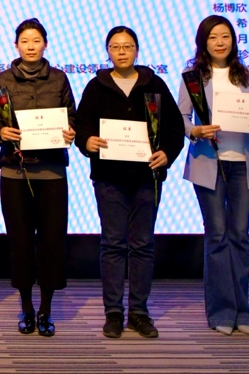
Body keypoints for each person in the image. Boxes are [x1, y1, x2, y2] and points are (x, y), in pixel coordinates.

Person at [75, 26, 183, 339]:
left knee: (143, 245)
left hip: (146, 178)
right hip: (109, 179)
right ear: (107, 51)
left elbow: (174, 128)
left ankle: (139, 312)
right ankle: (113, 312)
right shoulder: (96, 86)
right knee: (112, 244)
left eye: (127, 46)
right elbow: (82, 126)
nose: (121, 52)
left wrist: (167, 153)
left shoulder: (154, 84)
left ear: (137, 50)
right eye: (115, 46)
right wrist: (87, 141)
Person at [177, 14, 249, 336]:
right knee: (217, 237)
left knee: (240, 237)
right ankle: (221, 311)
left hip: (243, 162)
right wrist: (195, 130)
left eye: (225, 36)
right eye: (213, 37)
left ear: (233, 40)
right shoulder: (192, 77)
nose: (220, 42)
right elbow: (181, 117)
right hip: (208, 162)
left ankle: (243, 310)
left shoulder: (246, 75)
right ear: (203, 42)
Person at [0, 18, 76, 337]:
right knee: (21, 242)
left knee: (52, 242)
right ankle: (26, 307)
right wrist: (1, 131)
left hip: (52, 172)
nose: (30, 46)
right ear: (16, 45)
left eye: (36, 40)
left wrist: (70, 131)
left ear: (45, 44)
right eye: (25, 41)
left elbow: (71, 115)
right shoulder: (4, 79)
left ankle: (46, 310)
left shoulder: (59, 78)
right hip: (15, 171)